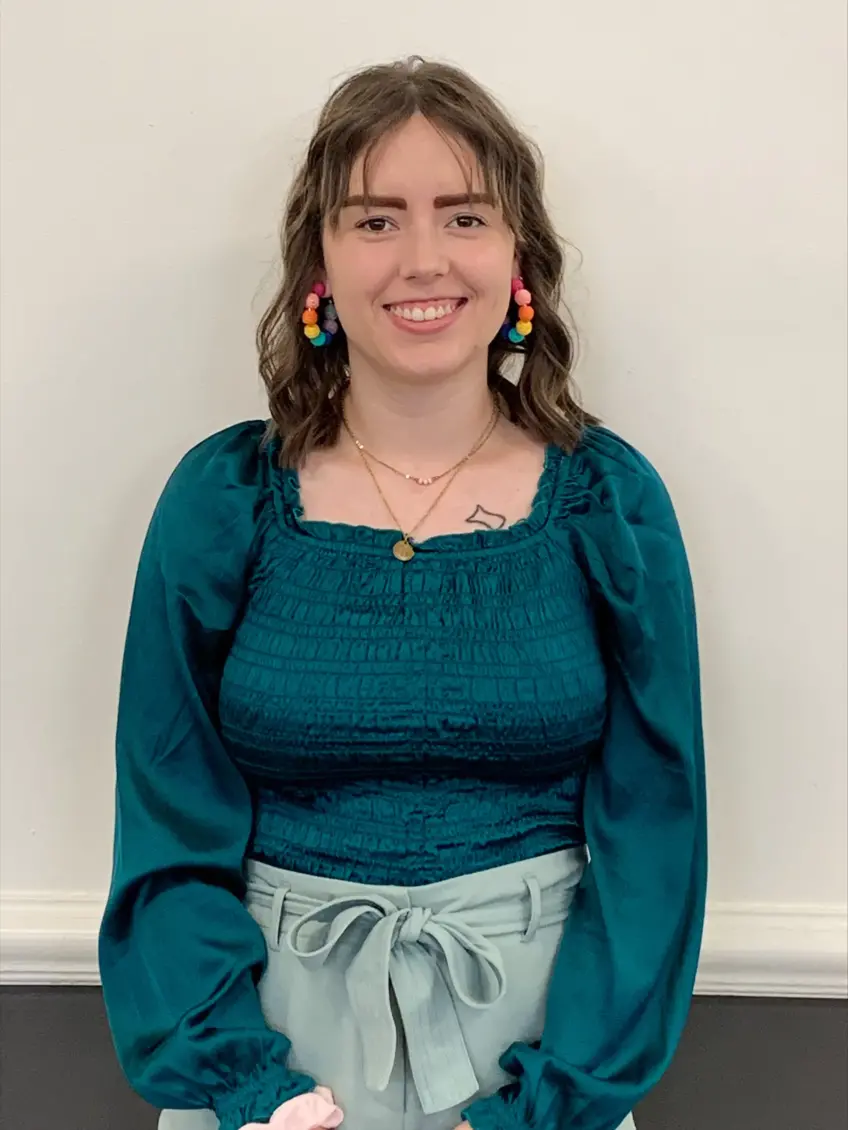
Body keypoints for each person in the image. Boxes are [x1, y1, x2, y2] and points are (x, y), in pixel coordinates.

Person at [99, 56, 706, 1130]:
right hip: (267, 1049)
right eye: (374, 220)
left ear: (517, 255)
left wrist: (550, 1099)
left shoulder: (605, 502)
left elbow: (655, 826)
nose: (422, 258)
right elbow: (167, 814)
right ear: (317, 266)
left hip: (540, 1049)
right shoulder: (224, 500)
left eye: (462, 215)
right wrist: (247, 1084)